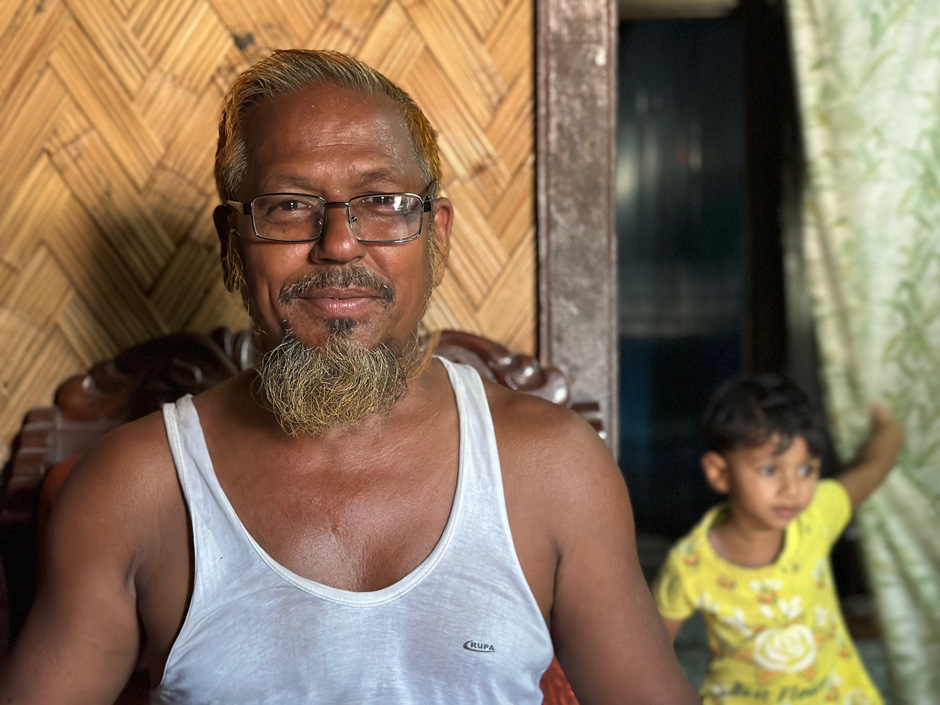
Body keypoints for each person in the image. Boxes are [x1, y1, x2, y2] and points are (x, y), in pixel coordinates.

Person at [0, 49, 698, 704]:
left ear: (439, 233)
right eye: (288, 205)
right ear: (232, 246)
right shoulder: (135, 488)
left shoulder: (552, 467)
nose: (337, 243)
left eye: (381, 202)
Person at [652, 374, 905, 704]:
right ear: (719, 472)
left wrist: (890, 426)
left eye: (806, 470)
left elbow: (870, 470)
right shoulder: (691, 564)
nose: (792, 490)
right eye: (770, 470)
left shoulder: (815, 517)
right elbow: (652, 654)